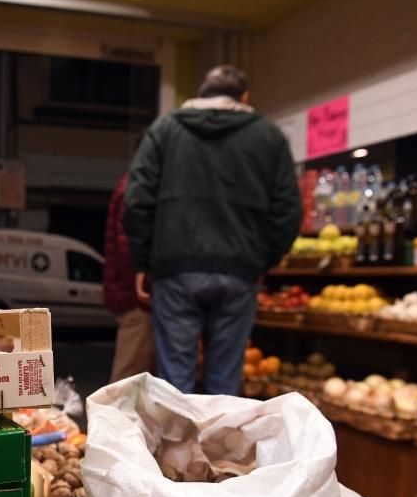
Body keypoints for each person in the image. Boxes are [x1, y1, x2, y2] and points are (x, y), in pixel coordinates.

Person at [123, 65, 300, 395]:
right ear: (245, 97)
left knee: (175, 381)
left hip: (176, 270)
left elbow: (136, 200)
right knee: (225, 384)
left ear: (201, 93)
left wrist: (143, 260)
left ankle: (177, 445)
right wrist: (260, 261)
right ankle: (218, 446)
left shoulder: (165, 129)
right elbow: (289, 210)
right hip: (238, 272)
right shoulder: (268, 135)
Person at [103, 173, 154, 381]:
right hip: (138, 300)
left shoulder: (133, 186)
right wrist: (144, 287)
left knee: (133, 381)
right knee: (128, 381)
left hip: (135, 297)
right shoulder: (137, 188)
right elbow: (128, 251)